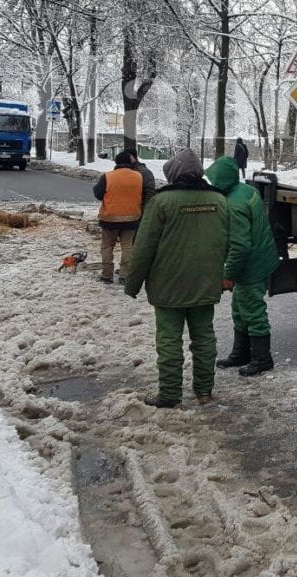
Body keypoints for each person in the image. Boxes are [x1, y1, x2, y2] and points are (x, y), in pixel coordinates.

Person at [125, 148, 229, 408]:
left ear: (173, 174)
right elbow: (226, 241)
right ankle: (204, 391)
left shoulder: (162, 202)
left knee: (169, 339)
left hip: (168, 284)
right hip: (205, 282)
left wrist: (132, 283)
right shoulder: (219, 201)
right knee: (204, 337)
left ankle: (170, 393)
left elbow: (144, 247)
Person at [206, 156, 280, 376]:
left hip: (251, 266)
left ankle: (262, 358)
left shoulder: (232, 205)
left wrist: (228, 274)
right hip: (261, 257)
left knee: (253, 311)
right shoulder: (247, 191)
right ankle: (241, 353)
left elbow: (240, 246)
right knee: (239, 308)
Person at [93, 153, 145, 284]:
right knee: (128, 246)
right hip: (132, 217)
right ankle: (125, 275)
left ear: (115, 162)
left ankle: (107, 275)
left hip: (110, 218)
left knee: (107, 246)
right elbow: (143, 194)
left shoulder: (108, 176)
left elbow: (98, 194)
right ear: (130, 162)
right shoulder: (139, 177)